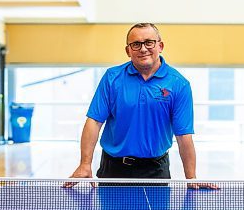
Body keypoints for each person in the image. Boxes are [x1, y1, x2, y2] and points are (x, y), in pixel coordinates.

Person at [68, 23, 200, 182]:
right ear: (128, 51)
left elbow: (183, 135)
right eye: (136, 44)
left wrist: (191, 178)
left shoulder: (179, 84)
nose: (143, 49)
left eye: (149, 42)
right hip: (112, 168)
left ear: (160, 46)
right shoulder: (112, 77)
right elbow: (94, 121)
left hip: (156, 170)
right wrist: (85, 164)